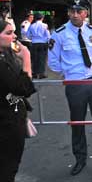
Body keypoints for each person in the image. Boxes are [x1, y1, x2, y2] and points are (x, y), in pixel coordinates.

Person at [48, 0, 92, 177]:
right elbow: (53, 62)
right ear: (68, 12)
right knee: (77, 123)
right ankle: (80, 159)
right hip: (75, 84)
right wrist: (69, 73)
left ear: (85, 13)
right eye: (71, 11)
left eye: (79, 11)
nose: (75, 15)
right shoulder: (58, 34)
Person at [0, 20, 36, 182]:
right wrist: (26, 58)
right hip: (7, 125)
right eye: (8, 33)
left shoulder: (5, 55)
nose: (14, 36)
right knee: (8, 169)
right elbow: (24, 88)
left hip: (13, 119)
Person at [27, 13, 50, 79]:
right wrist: (48, 41)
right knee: (42, 58)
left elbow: (28, 35)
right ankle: (41, 74)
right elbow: (48, 35)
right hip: (43, 43)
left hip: (34, 43)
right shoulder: (45, 25)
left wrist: (32, 38)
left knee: (34, 58)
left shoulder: (31, 25)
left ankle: (34, 73)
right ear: (42, 18)